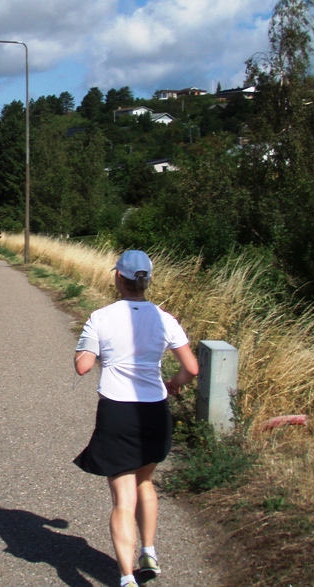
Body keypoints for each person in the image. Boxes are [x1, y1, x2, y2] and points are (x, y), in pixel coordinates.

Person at [72, 250, 198, 587]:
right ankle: (149, 551)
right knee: (145, 482)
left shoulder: (100, 317)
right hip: (155, 410)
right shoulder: (164, 318)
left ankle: (127, 578)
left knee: (122, 500)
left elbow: (83, 366)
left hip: (118, 411)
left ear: (118, 278)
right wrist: (172, 384)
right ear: (147, 280)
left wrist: (89, 351)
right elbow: (192, 369)